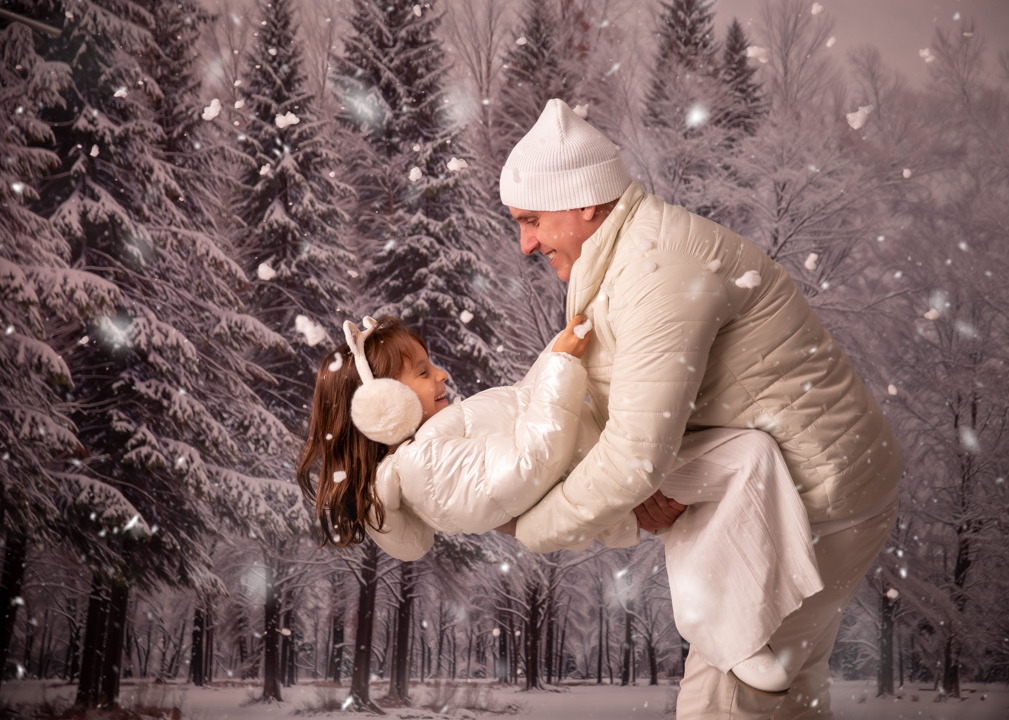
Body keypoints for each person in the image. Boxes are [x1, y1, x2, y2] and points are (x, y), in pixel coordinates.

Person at [497, 99, 903, 719]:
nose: (525, 244)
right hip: (813, 491)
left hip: (810, 502)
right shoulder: (623, 264)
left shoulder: (656, 272)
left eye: (532, 220)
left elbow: (634, 456)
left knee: (724, 701)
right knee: (786, 696)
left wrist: (531, 525)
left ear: (584, 203)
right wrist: (640, 487)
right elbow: (632, 424)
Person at [296, 314, 824, 690]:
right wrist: (562, 365)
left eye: (430, 364)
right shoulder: (424, 469)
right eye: (421, 372)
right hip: (608, 468)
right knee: (749, 457)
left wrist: (559, 351)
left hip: (609, 449)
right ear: (383, 407)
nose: (442, 375)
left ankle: (732, 613)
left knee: (744, 453)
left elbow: (526, 409)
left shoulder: (437, 443)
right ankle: (734, 635)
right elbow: (532, 464)